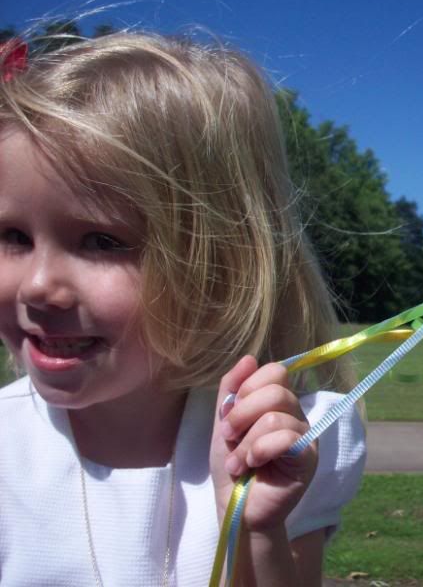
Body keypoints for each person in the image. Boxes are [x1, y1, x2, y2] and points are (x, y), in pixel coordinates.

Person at [0, 31, 366, 586]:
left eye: (102, 241)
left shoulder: (279, 445)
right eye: (12, 237)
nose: (38, 286)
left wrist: (254, 530)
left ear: (221, 264)